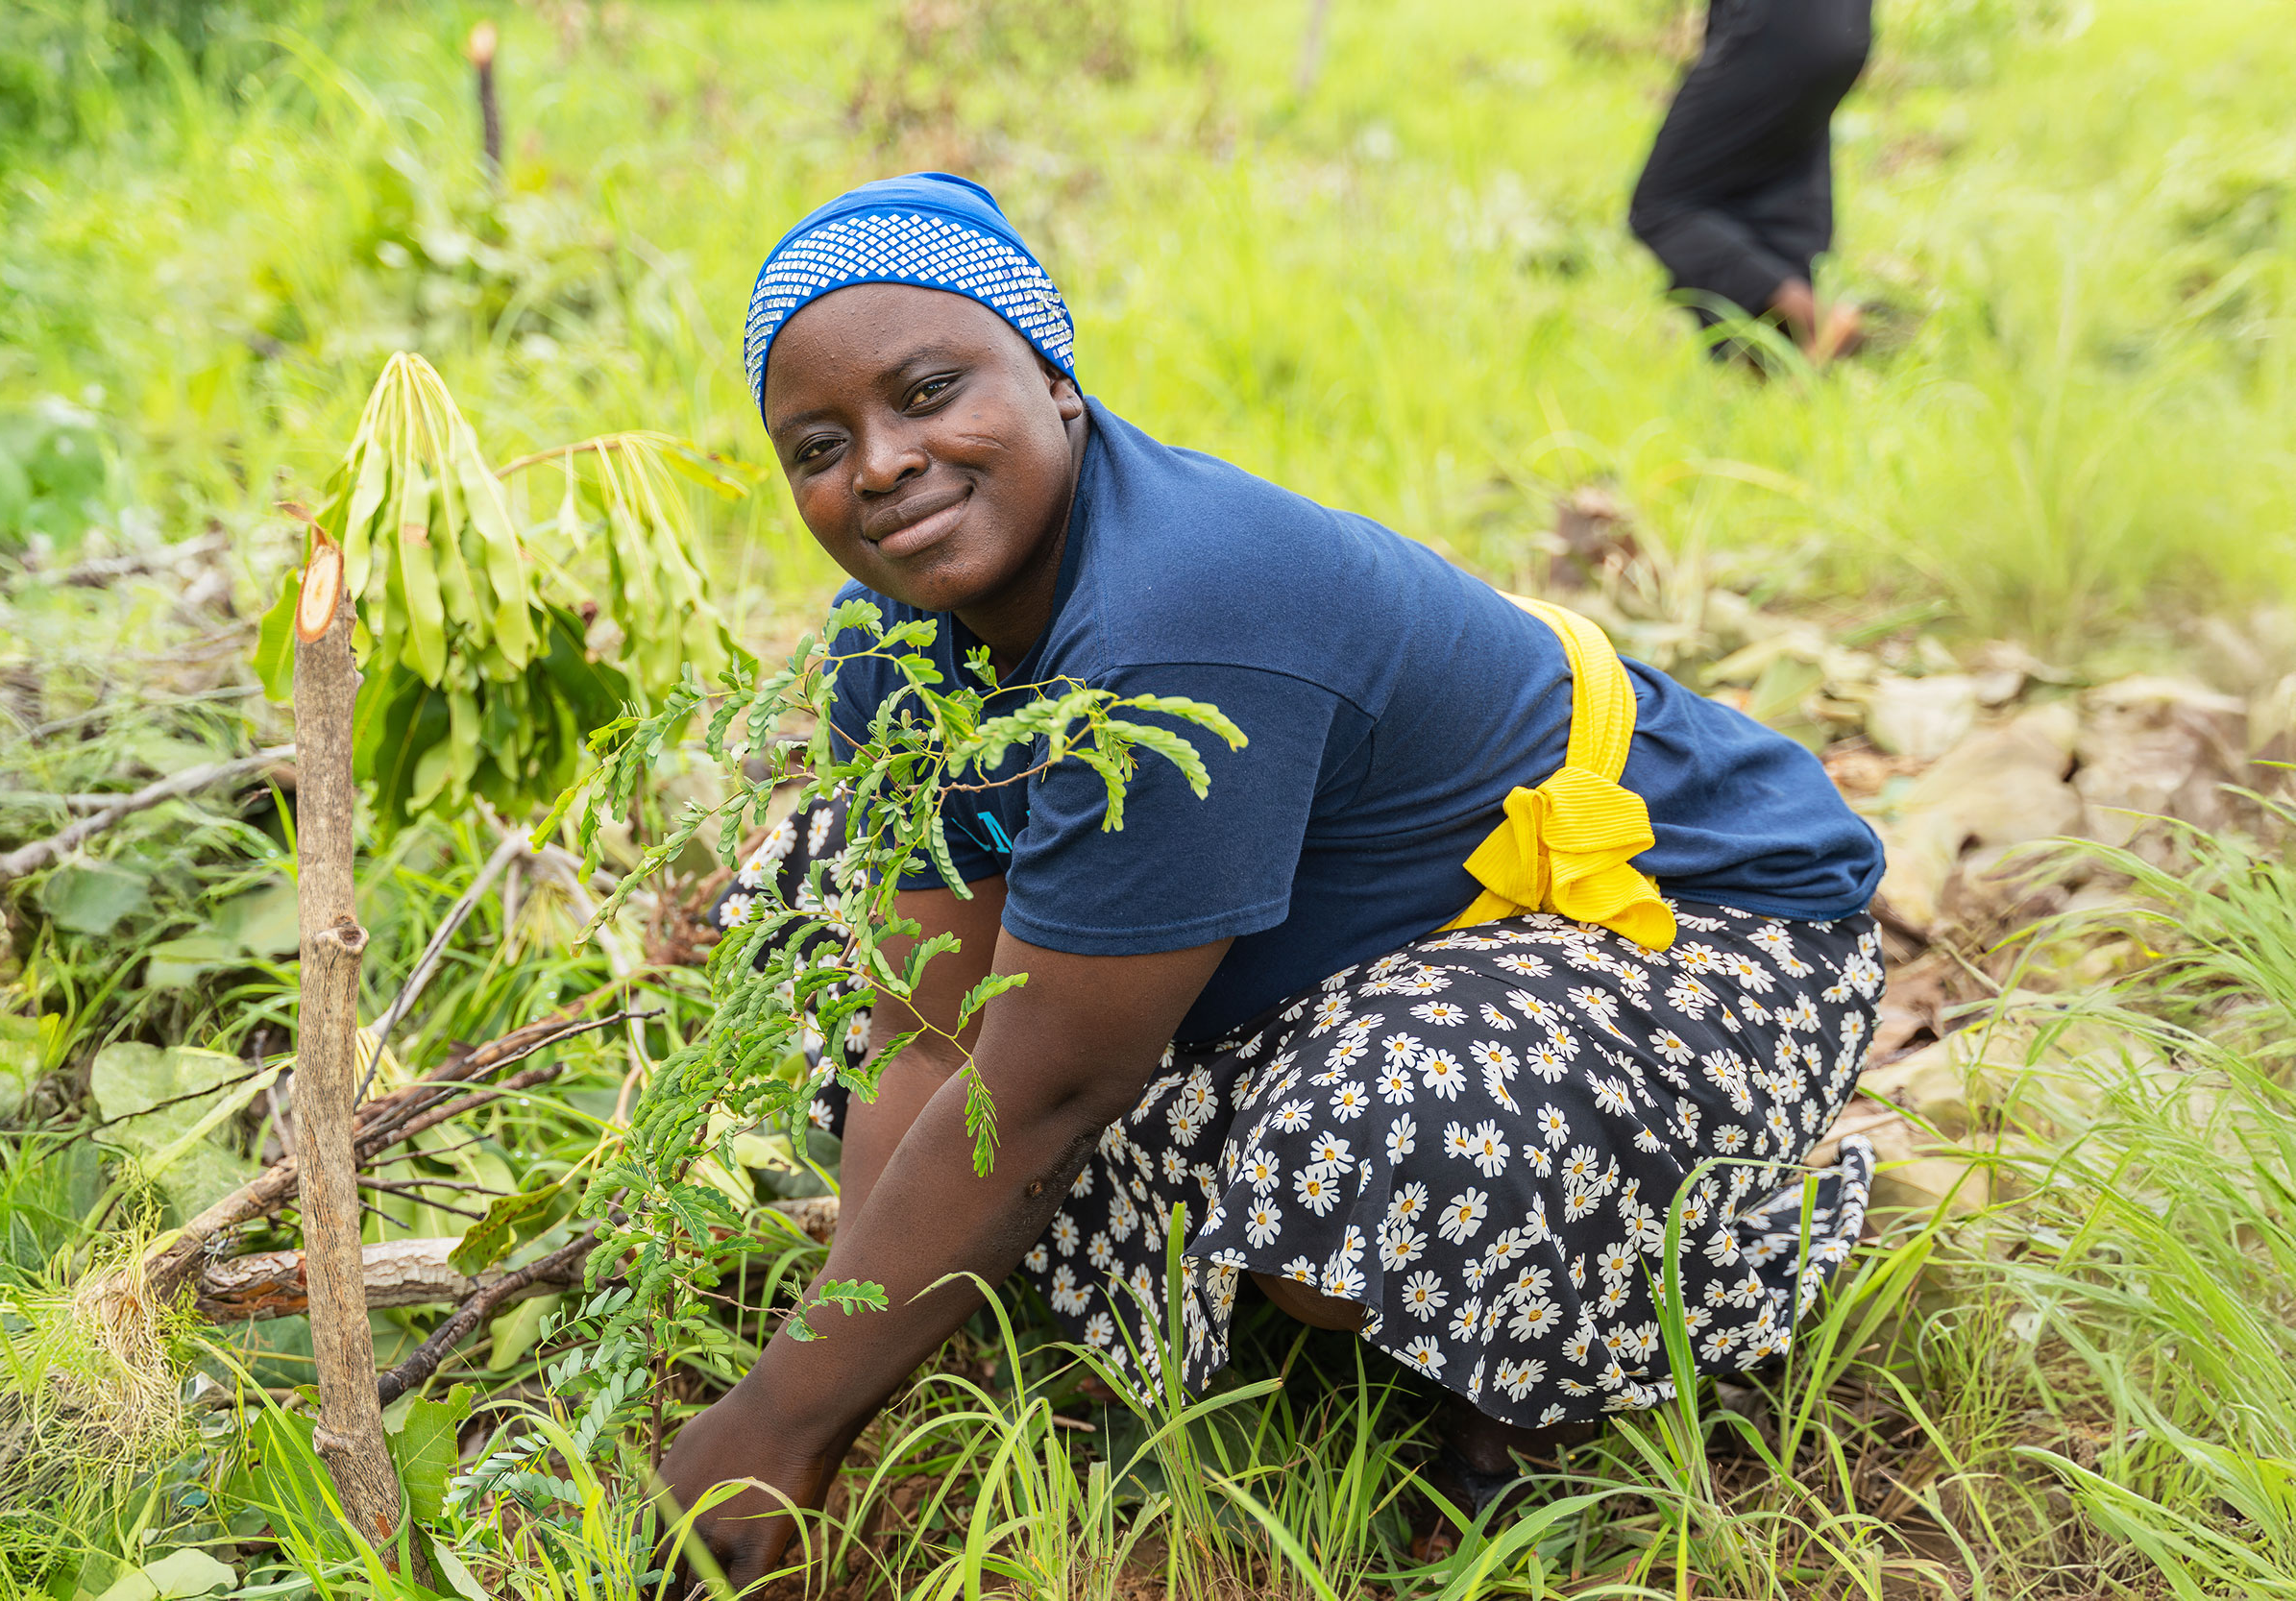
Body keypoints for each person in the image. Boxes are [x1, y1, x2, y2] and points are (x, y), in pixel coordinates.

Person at [660, 172, 1887, 1585]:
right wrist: (837, 1360)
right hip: (1360, 944)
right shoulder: (895, 641)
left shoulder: (1188, 611)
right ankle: (1261, 1271)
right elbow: (925, 1026)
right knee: (821, 917)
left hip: (1709, 930)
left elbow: (1047, 1085)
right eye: (820, 443)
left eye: (930, 390)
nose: (880, 463)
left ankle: (1557, 1386)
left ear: (1056, 379)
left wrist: (781, 1415)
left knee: (1382, 1135)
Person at [1628, 0, 1874, 362]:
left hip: (1773, 27)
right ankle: (1775, 377)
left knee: (1664, 206)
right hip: (1840, 27)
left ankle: (1816, 321)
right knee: (1770, 201)